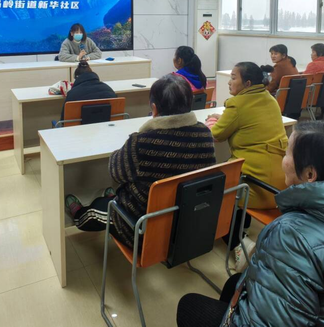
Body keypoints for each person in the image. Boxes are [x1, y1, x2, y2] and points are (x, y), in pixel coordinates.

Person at [177, 121, 324, 327]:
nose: (282, 158)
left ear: (309, 174)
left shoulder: (290, 235)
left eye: (287, 152)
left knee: (189, 305)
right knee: (234, 284)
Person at [64, 75, 216, 249]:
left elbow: (115, 173)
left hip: (140, 227)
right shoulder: (205, 134)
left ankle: (78, 213)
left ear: (154, 108)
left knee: (94, 211)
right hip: (187, 222)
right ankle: (111, 198)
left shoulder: (142, 142)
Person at [206, 62, 288, 210]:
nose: (229, 82)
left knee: (207, 182)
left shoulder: (237, 104)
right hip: (280, 187)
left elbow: (215, 135)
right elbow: (247, 119)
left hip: (254, 187)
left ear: (247, 83)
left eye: (233, 78)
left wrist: (211, 121)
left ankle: (228, 222)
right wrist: (223, 118)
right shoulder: (270, 99)